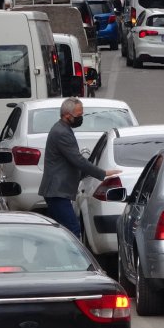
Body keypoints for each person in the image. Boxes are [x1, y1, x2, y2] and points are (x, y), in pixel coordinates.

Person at [38, 98, 121, 237]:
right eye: (78, 116)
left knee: (56, 233)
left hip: (57, 191)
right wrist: (103, 173)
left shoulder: (63, 128)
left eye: (82, 114)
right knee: (73, 230)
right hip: (57, 191)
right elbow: (77, 160)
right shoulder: (62, 132)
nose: (81, 118)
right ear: (66, 115)